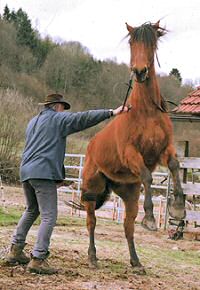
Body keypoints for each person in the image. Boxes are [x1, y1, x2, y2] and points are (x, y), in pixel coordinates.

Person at [5, 93, 130, 275]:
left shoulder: (33, 122)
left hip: (26, 171)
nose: (64, 111)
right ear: (57, 106)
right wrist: (111, 112)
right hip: (43, 173)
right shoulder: (58, 119)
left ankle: (15, 250)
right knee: (49, 216)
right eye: (63, 107)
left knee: (32, 210)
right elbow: (83, 118)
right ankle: (38, 259)